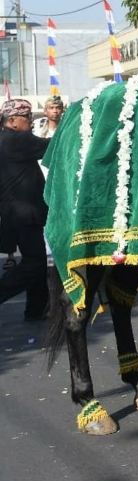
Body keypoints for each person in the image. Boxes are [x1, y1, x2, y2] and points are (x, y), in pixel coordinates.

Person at [0, 99, 51, 321]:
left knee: (36, 260)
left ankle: (36, 309)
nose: (30, 122)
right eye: (26, 118)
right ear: (12, 121)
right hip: (23, 213)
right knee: (35, 263)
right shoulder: (16, 139)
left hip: (17, 212)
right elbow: (51, 146)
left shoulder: (7, 139)